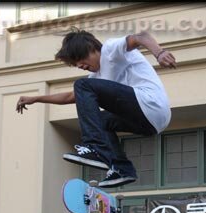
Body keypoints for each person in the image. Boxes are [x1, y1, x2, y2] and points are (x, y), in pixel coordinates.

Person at [16, 28, 176, 188]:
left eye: (81, 59)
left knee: (82, 85)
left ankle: (94, 146)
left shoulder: (110, 49)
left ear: (92, 48)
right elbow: (71, 97)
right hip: (151, 122)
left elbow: (142, 36)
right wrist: (36, 99)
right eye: (76, 64)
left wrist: (159, 53)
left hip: (150, 104)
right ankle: (122, 169)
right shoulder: (96, 78)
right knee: (101, 119)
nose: (80, 65)